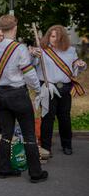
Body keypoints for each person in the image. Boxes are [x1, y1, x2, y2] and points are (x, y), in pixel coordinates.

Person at [0, 15, 48, 183]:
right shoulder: (19, 48)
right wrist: (39, 90)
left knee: (6, 134)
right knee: (29, 134)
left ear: (1, 29)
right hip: (17, 94)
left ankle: (4, 168)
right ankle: (35, 173)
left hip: (1, 93)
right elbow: (29, 73)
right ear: (15, 27)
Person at [30, 25, 87, 155]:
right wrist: (33, 55)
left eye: (57, 37)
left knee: (65, 118)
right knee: (47, 118)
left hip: (65, 88)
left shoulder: (71, 50)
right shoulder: (42, 50)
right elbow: (32, 63)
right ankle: (46, 147)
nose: (54, 39)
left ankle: (67, 145)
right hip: (48, 87)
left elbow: (75, 67)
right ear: (48, 36)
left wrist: (81, 65)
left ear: (62, 38)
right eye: (52, 36)